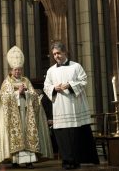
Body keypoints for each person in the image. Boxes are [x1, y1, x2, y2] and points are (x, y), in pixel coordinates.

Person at [43, 41, 99, 170]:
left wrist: (70, 85)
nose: (56, 56)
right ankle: (67, 160)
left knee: (75, 134)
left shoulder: (76, 66)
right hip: (60, 107)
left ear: (65, 52)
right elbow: (46, 86)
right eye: (54, 54)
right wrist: (53, 88)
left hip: (74, 105)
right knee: (63, 136)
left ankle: (77, 160)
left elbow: (84, 80)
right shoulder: (51, 70)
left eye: (58, 53)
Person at [0, 46, 53, 169]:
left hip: (27, 113)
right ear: (11, 70)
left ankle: (29, 161)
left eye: (19, 70)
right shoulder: (7, 82)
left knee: (28, 135)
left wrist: (26, 93)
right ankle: (15, 161)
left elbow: (34, 95)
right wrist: (17, 93)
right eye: (15, 70)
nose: (18, 72)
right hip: (14, 114)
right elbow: (3, 98)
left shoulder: (26, 80)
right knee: (16, 136)